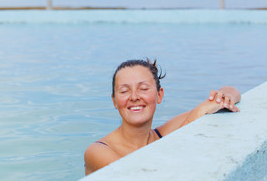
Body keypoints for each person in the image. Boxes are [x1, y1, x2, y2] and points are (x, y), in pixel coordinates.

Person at [84, 59, 241, 175]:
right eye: (124, 91)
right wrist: (200, 110)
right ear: (114, 101)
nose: (134, 97)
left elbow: (231, 90)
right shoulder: (97, 151)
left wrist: (223, 98)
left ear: (159, 95)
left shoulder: (163, 134)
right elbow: (141, 175)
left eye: (143, 88)